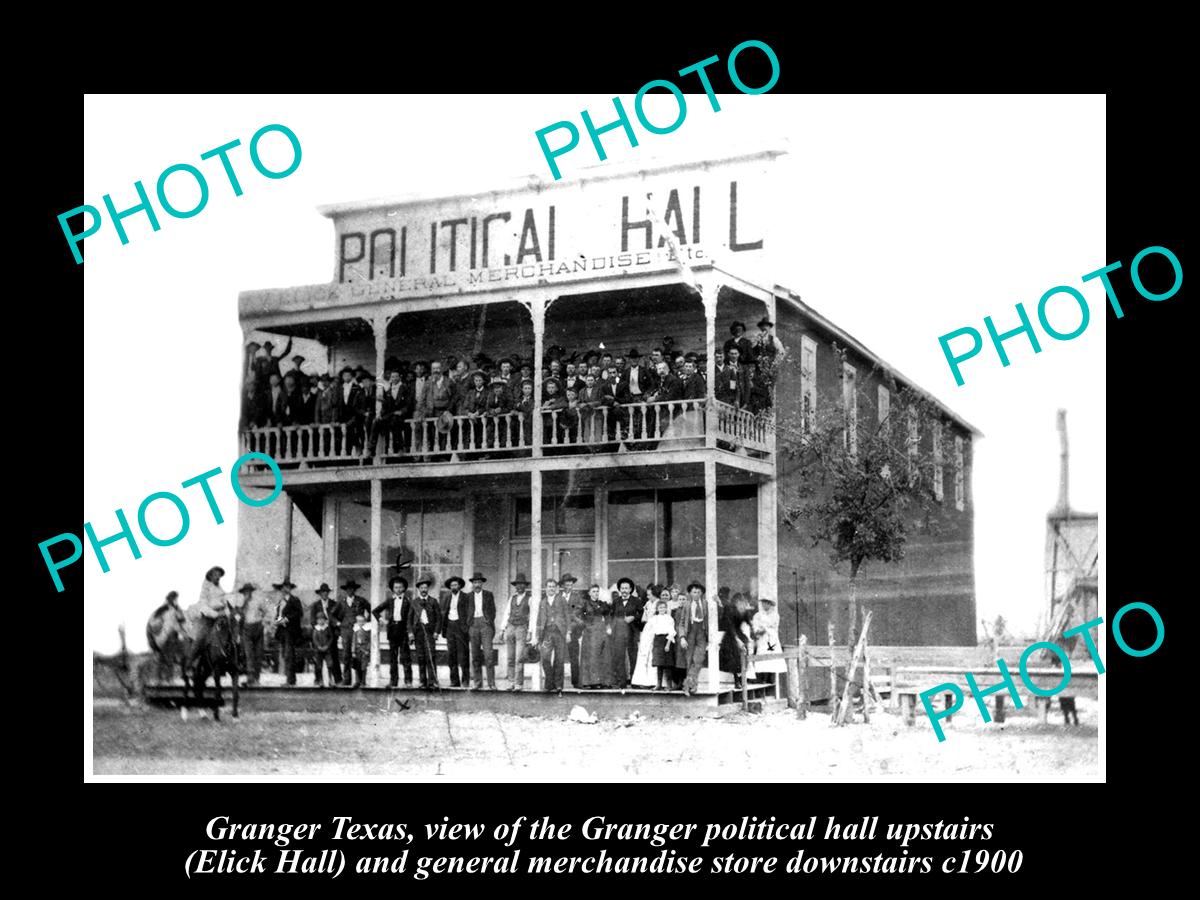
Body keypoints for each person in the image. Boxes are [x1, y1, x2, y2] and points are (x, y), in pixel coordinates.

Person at [373, 576, 413, 687]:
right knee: (393, 658)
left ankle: (408, 681)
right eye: (396, 587)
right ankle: (393, 681)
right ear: (393, 589)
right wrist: (382, 620)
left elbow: (412, 617)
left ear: (404, 588)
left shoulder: (408, 601)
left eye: (400, 587)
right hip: (393, 631)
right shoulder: (390, 601)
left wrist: (410, 632)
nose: (398, 589)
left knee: (405, 657)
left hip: (404, 631)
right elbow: (375, 611)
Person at [676, 581, 711, 695]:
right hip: (690, 633)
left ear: (701, 593)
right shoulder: (686, 605)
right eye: (694, 592)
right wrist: (682, 637)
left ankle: (688, 685)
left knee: (698, 660)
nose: (696, 594)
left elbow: (711, 619)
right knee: (689, 660)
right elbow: (681, 623)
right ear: (690, 593)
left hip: (701, 632)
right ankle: (692, 686)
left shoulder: (705, 603)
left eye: (698, 592)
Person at [409, 574, 443, 688]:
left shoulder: (433, 602)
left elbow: (439, 618)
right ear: (418, 589)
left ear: (428, 588)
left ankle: (432, 681)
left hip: (430, 633)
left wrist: (436, 632)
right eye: (421, 588)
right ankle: (422, 681)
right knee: (420, 657)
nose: (423, 590)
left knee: (431, 656)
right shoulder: (414, 602)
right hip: (418, 632)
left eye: (425, 587)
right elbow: (409, 620)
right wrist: (410, 633)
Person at [464, 572, 497, 690]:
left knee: (488, 655)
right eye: (475, 582)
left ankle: (491, 683)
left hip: (485, 625)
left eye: (479, 582)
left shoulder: (488, 595)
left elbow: (493, 610)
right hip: (473, 625)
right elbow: (464, 612)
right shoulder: (467, 596)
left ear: (482, 583)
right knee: (475, 655)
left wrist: (488, 621)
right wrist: (469, 625)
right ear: (472, 584)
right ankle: (477, 682)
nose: (477, 584)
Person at [537, 576, 569, 692]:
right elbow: (539, 619)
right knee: (545, 657)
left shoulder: (562, 600)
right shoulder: (543, 602)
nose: (551, 589)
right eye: (549, 587)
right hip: (547, 634)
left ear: (556, 588)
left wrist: (568, 632)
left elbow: (567, 617)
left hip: (559, 632)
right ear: (546, 588)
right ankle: (549, 682)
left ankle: (558, 684)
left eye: (553, 587)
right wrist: (537, 635)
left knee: (559, 659)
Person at [578, 584, 614, 688]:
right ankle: (592, 682)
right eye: (593, 591)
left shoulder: (602, 604)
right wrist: (585, 624)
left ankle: (604, 681)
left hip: (601, 631)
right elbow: (576, 615)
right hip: (590, 632)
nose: (596, 593)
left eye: (597, 591)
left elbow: (607, 615)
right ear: (589, 593)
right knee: (592, 656)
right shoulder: (585, 603)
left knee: (604, 655)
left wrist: (608, 626)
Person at [501, 574, 532, 691]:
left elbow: (532, 616)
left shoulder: (529, 598)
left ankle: (519, 684)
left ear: (525, 586)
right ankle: (510, 682)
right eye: (517, 585)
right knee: (510, 657)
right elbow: (506, 613)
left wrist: (530, 632)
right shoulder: (512, 598)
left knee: (519, 657)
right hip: (510, 627)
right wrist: (502, 629)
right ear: (515, 586)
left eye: (522, 585)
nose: (519, 587)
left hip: (522, 628)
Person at [336, 580, 370, 686]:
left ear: (355, 590)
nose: (350, 591)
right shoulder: (341, 602)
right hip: (346, 631)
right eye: (348, 589)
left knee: (359, 655)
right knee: (346, 655)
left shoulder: (361, 601)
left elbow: (371, 610)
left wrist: (365, 623)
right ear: (346, 590)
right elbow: (332, 614)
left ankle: (359, 680)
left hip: (358, 631)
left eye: (352, 589)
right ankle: (346, 679)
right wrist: (338, 623)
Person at [610, 577, 640, 688]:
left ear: (630, 589)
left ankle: (634, 681)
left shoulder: (636, 601)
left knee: (633, 657)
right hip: (619, 633)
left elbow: (642, 615)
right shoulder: (616, 601)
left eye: (626, 588)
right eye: (622, 588)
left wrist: (633, 617)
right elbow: (611, 616)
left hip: (632, 632)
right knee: (619, 656)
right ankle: (621, 681)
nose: (624, 590)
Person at [272, 579, 303, 686]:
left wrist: (286, 619)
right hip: (282, 632)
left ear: (290, 589)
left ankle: (291, 680)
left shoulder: (295, 600)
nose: (285, 589)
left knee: (289, 655)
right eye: (284, 587)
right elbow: (278, 615)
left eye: (288, 587)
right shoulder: (280, 602)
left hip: (291, 631)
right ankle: (289, 679)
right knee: (286, 655)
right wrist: (277, 621)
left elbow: (299, 613)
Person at [309, 583, 342, 684]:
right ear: (320, 594)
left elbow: (338, 617)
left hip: (331, 633)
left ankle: (337, 679)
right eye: (322, 592)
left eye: (326, 592)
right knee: (318, 658)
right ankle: (318, 679)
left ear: (328, 593)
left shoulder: (333, 604)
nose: (324, 594)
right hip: (319, 634)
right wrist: (318, 628)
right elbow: (312, 620)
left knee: (333, 657)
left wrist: (336, 629)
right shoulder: (315, 605)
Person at [440, 575, 469, 687]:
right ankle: (454, 681)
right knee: (451, 656)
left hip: (461, 628)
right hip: (450, 627)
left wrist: (466, 628)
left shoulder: (465, 597)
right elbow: (443, 613)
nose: (454, 587)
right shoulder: (446, 597)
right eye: (452, 585)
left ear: (460, 586)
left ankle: (465, 680)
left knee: (463, 655)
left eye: (456, 585)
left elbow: (468, 613)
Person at [751, 598, 787, 684]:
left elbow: (773, 626)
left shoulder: (775, 615)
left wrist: (766, 628)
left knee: (772, 656)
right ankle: (761, 677)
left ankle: (770, 677)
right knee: (762, 655)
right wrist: (761, 630)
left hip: (772, 638)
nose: (765, 605)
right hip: (762, 639)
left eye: (767, 603)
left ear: (771, 605)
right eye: (763, 603)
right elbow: (756, 627)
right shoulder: (758, 615)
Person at [239, 583, 268, 685]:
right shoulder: (241, 603)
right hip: (247, 628)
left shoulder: (257, 601)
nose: (247, 593)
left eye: (249, 591)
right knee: (249, 654)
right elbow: (238, 616)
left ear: (251, 592)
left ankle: (257, 678)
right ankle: (250, 678)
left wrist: (263, 622)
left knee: (258, 653)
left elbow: (266, 611)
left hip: (257, 627)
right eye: (245, 592)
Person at [560, 574, 585, 688]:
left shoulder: (576, 597)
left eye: (570, 584)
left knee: (574, 656)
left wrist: (568, 616)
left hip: (573, 630)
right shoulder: (558, 597)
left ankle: (575, 681)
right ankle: (558, 681)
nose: (568, 586)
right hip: (560, 629)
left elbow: (578, 610)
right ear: (563, 585)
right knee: (559, 656)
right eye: (566, 584)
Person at [648, 599, 678, 691]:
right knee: (659, 664)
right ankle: (659, 684)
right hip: (657, 641)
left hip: (666, 640)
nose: (662, 609)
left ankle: (669, 685)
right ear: (657, 608)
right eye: (660, 607)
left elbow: (672, 632)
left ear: (666, 609)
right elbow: (652, 632)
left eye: (664, 607)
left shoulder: (669, 619)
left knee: (668, 665)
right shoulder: (654, 619)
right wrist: (652, 643)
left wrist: (668, 645)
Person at [311, 610, 334, 687]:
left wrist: (327, 646)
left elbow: (331, 638)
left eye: (322, 619)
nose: (321, 621)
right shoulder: (316, 629)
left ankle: (330, 679)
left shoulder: (327, 628)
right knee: (319, 665)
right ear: (317, 621)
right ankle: (320, 680)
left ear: (325, 620)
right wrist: (318, 646)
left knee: (330, 664)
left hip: (327, 650)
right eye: (319, 619)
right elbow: (314, 639)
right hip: (318, 650)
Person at [349, 610, 372, 687]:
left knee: (363, 666)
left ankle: (363, 681)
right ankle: (357, 681)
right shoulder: (356, 630)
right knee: (356, 666)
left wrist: (368, 650)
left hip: (364, 650)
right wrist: (353, 651)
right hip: (357, 650)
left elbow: (369, 641)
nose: (361, 623)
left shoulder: (367, 630)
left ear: (365, 622)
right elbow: (353, 641)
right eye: (359, 621)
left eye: (362, 621)